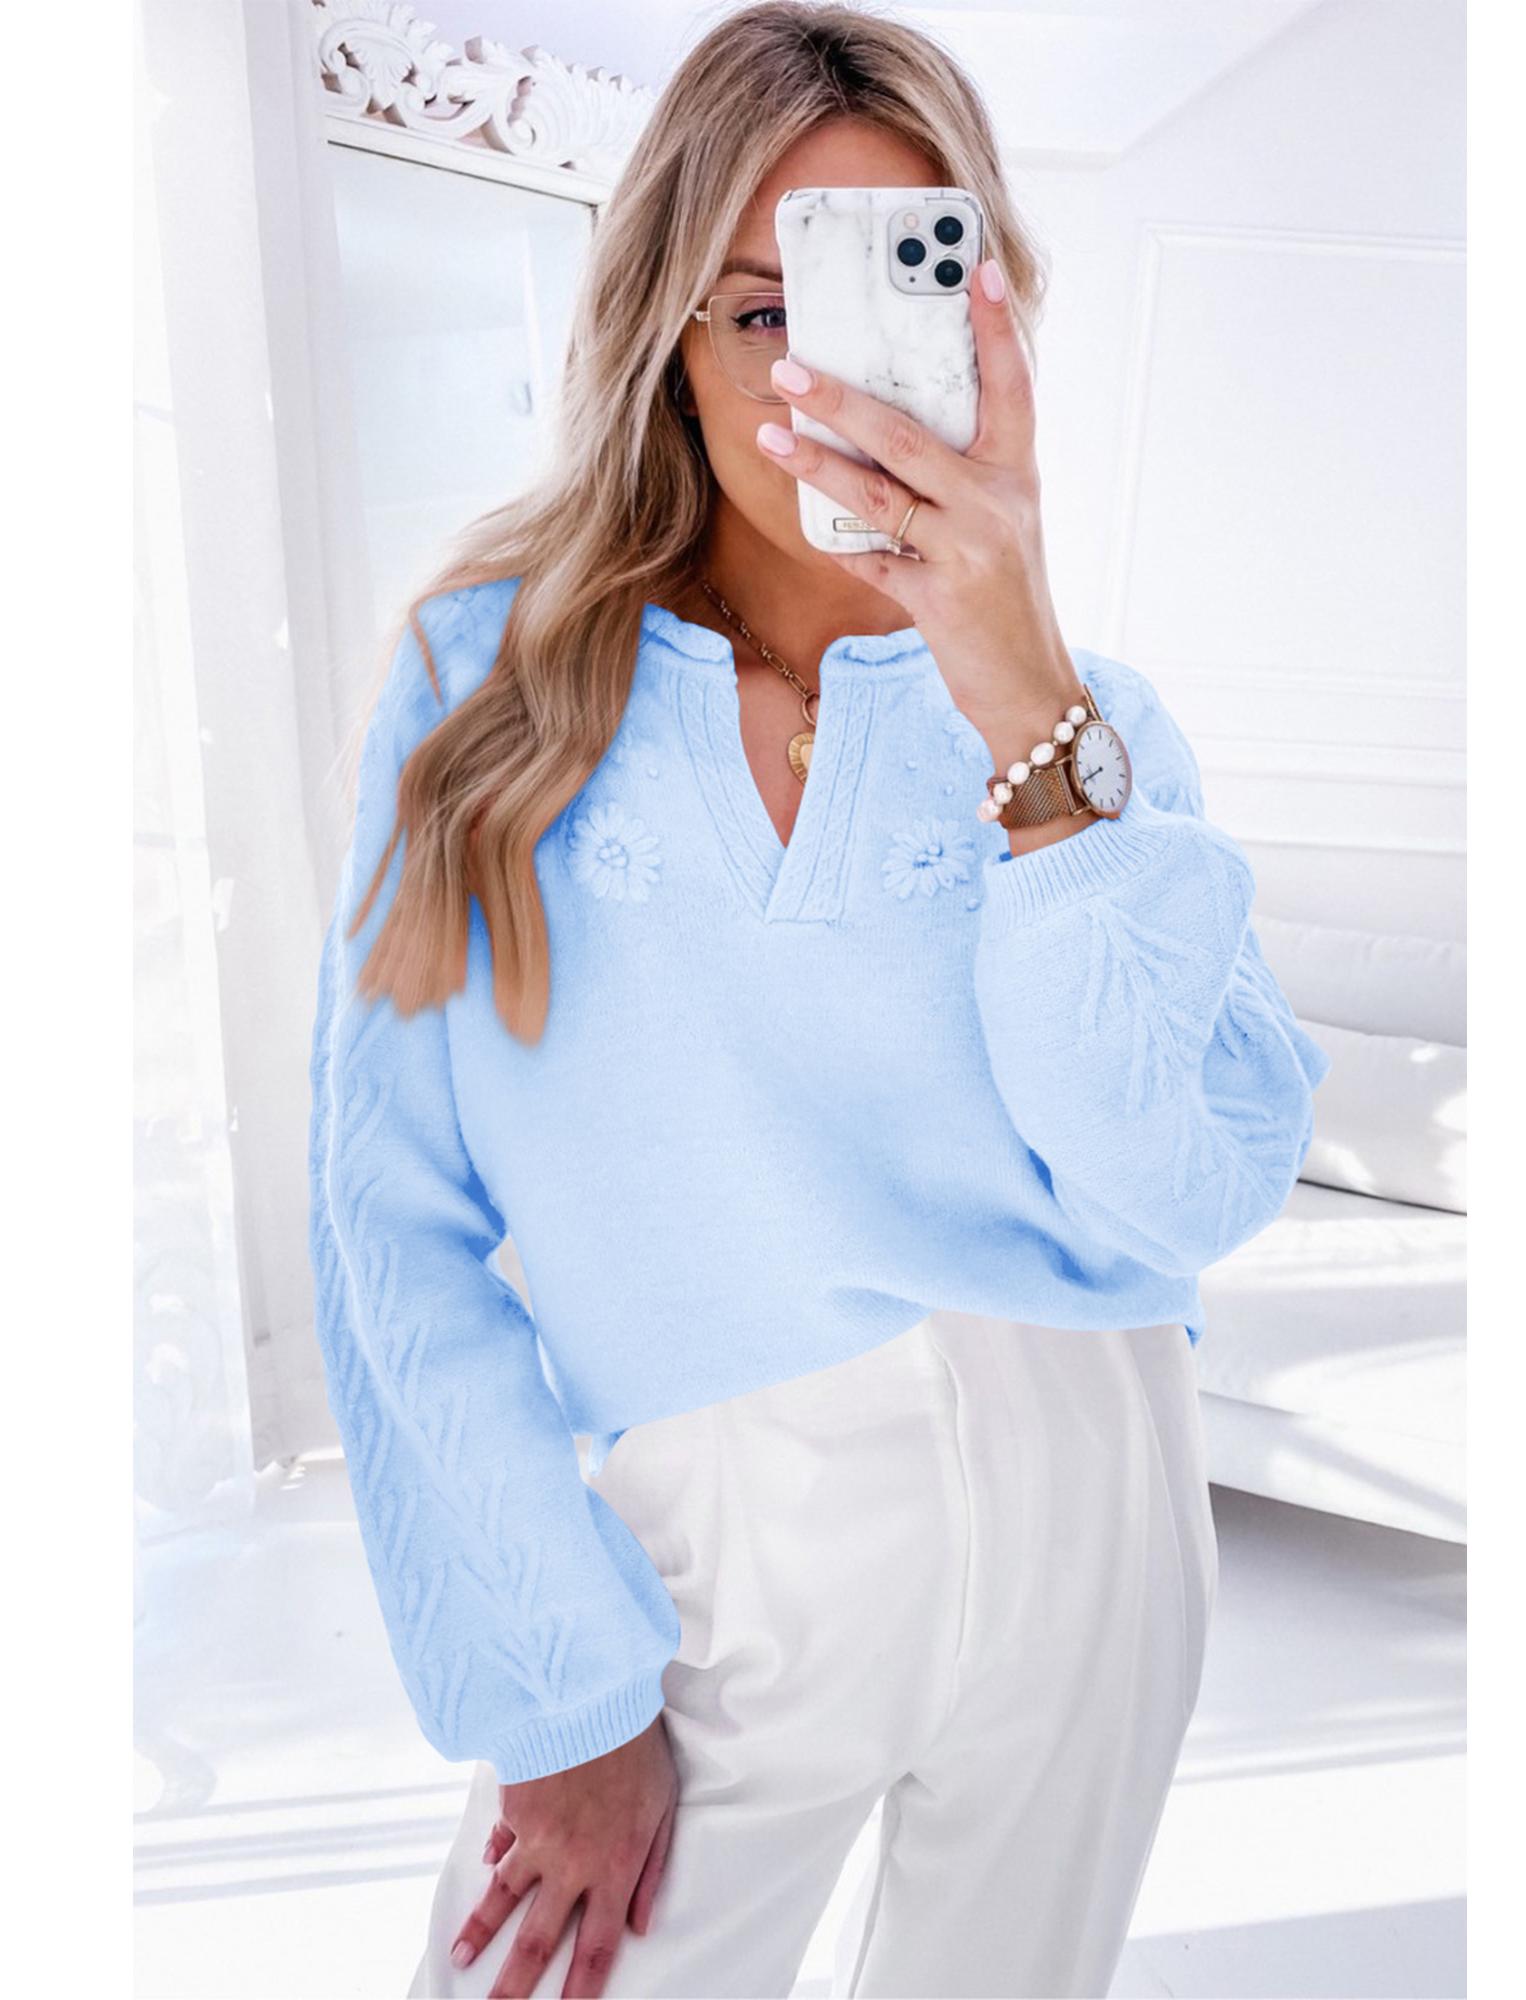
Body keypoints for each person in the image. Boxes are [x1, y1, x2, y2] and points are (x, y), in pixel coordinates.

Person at [306, 5, 1330, 1996]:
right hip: (717, 1514)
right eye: (762, 315)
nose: (821, 393)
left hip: (1095, 1481)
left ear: (990, 320)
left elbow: (1182, 1195)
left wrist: (1021, 697)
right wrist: (555, 1688)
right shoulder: (487, 690)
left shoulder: (1095, 727)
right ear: (666, 341)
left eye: (889, 305)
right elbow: (388, 1222)